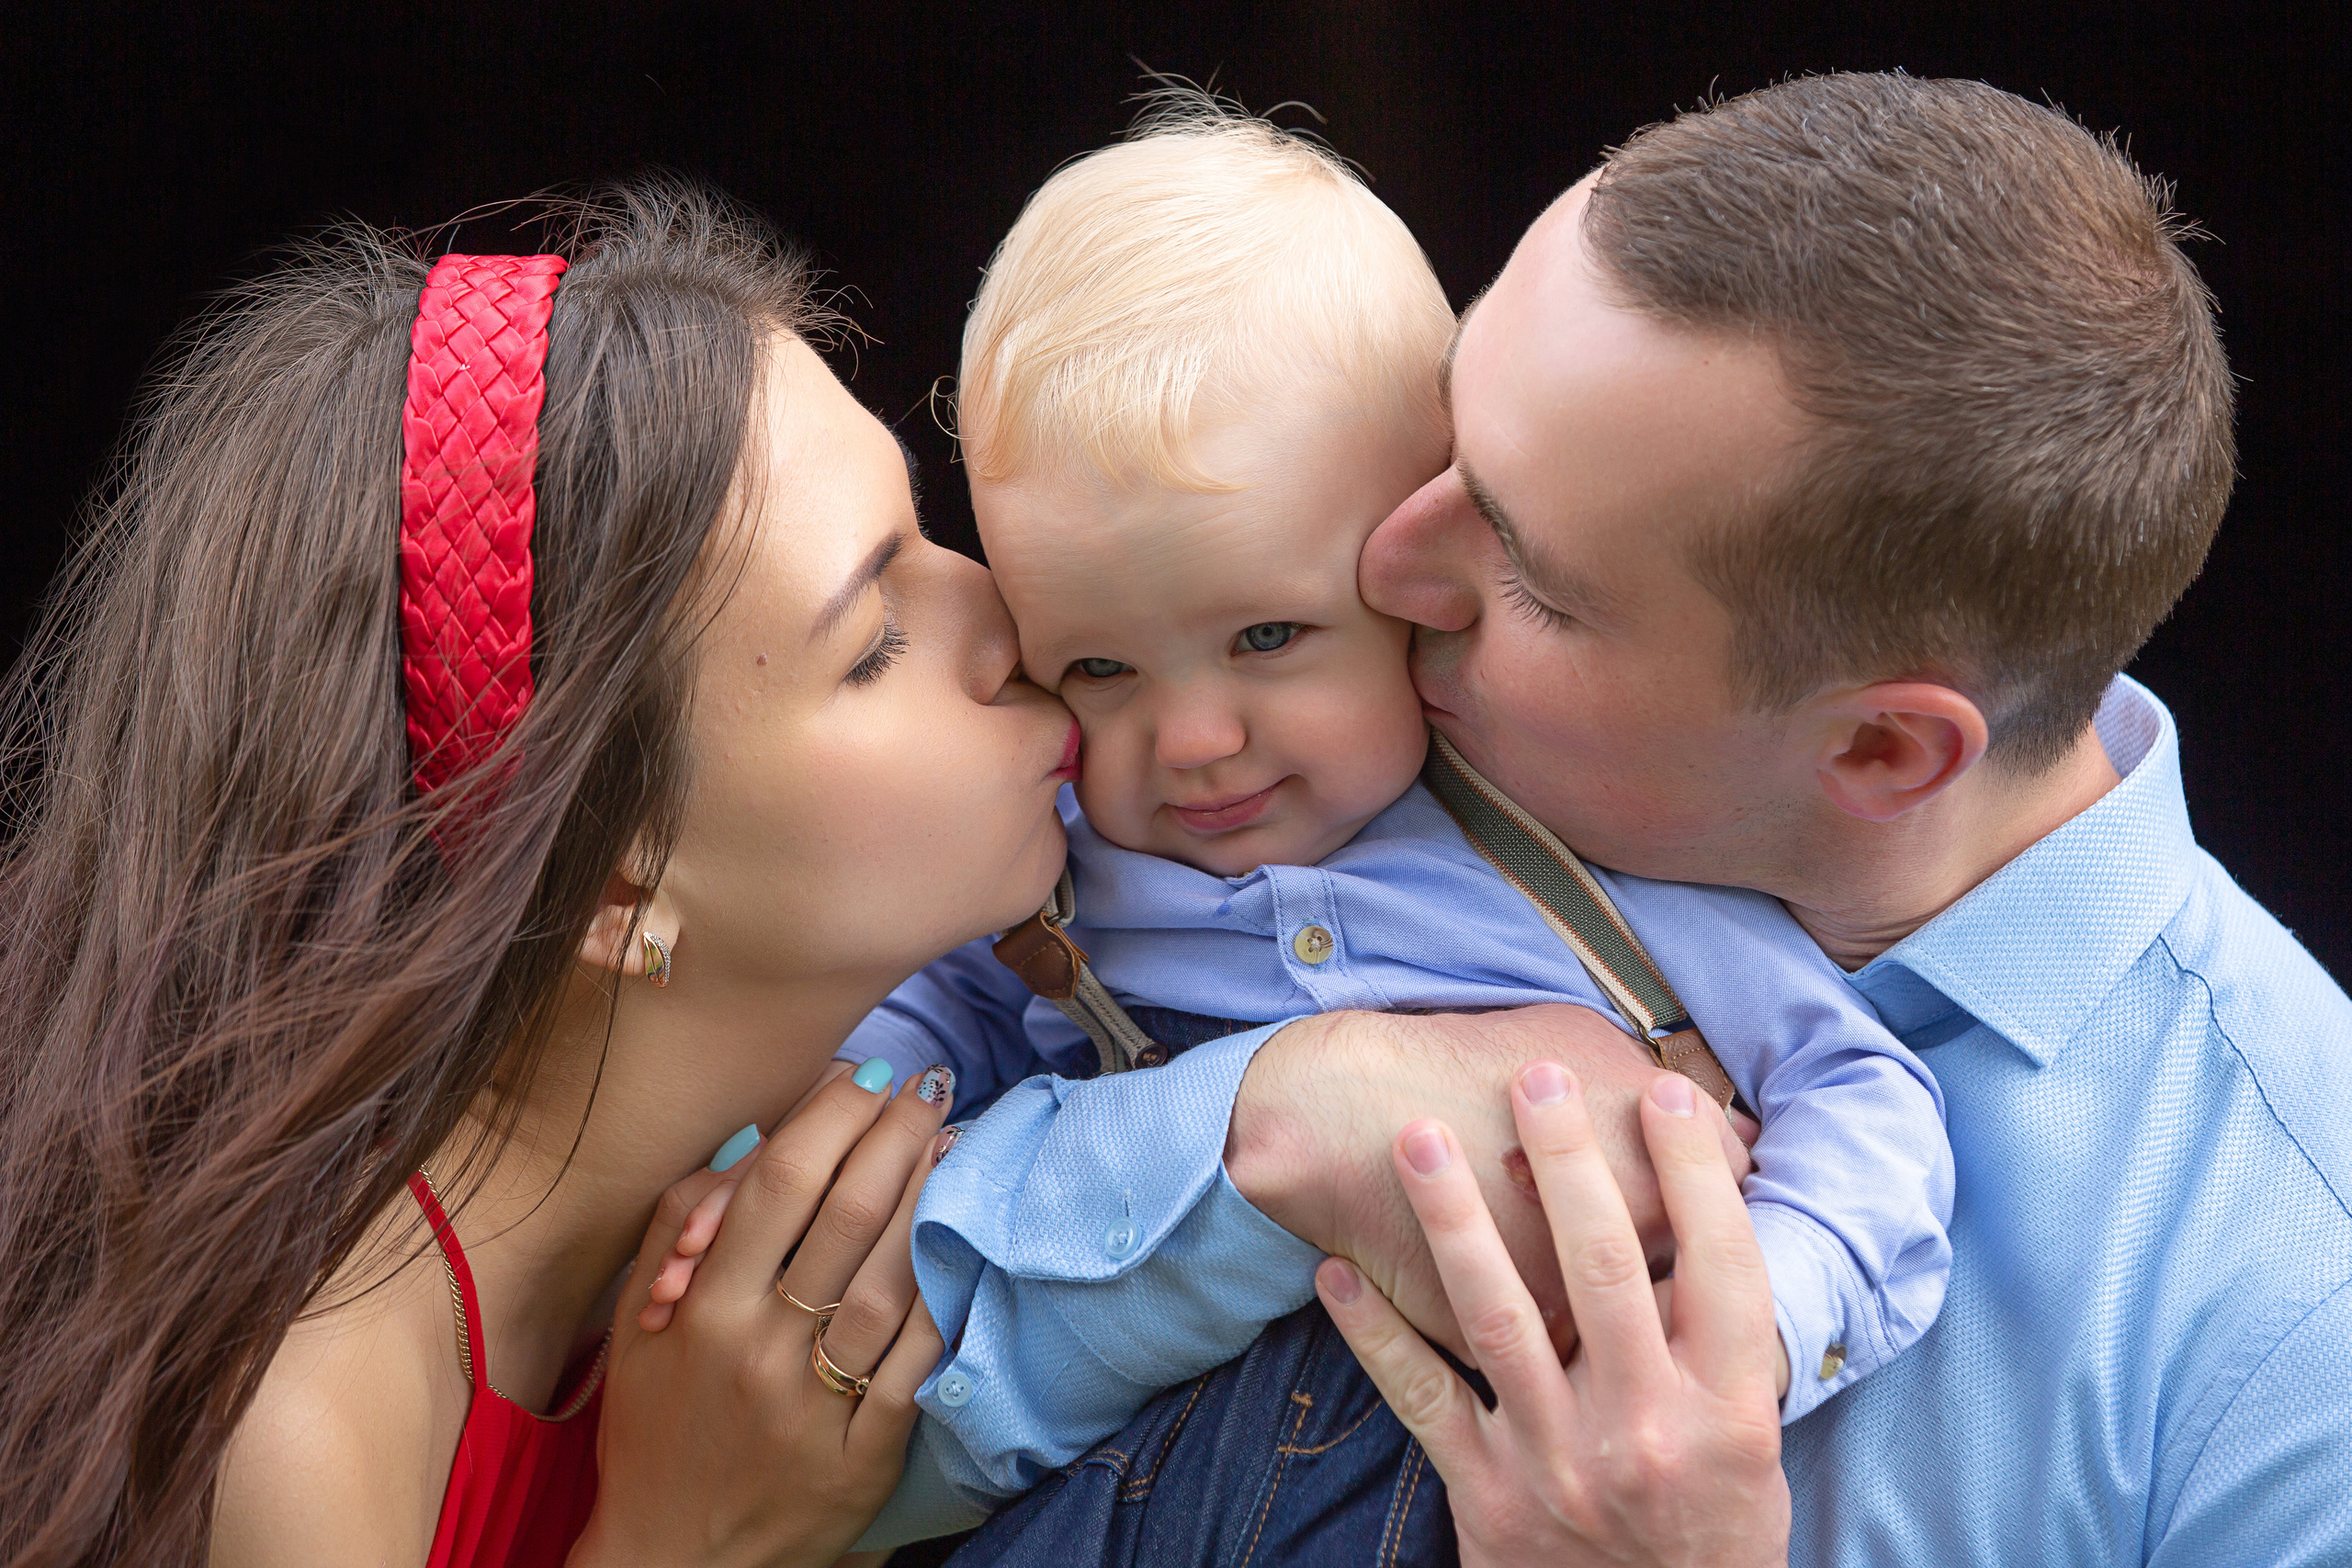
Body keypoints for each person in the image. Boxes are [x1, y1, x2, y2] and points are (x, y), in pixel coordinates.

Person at [901, 73, 2347, 1567]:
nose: (1386, 570)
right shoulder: (1293, 806)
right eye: (1444, 450)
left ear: (1878, 748)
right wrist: (1274, 1113)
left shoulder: (2299, 1316)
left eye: (1528, 570)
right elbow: (829, 1385)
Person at [794, 98, 1953, 1551]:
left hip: (1477, 1483)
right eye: (1098, 668)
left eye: (1271, 634)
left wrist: (1758, 1325)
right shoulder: (1054, 879)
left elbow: (1866, 1103)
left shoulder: (1581, 865)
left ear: (1419, 559)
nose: (1197, 736)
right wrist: (809, 1133)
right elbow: (904, 1044)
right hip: (1093, 1501)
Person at [0, 179, 1080, 1567]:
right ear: (613, 892)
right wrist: (681, 1543)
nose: (1001, 609)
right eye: (872, 638)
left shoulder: (762, 1235)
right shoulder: (307, 1426)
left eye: (927, 525)